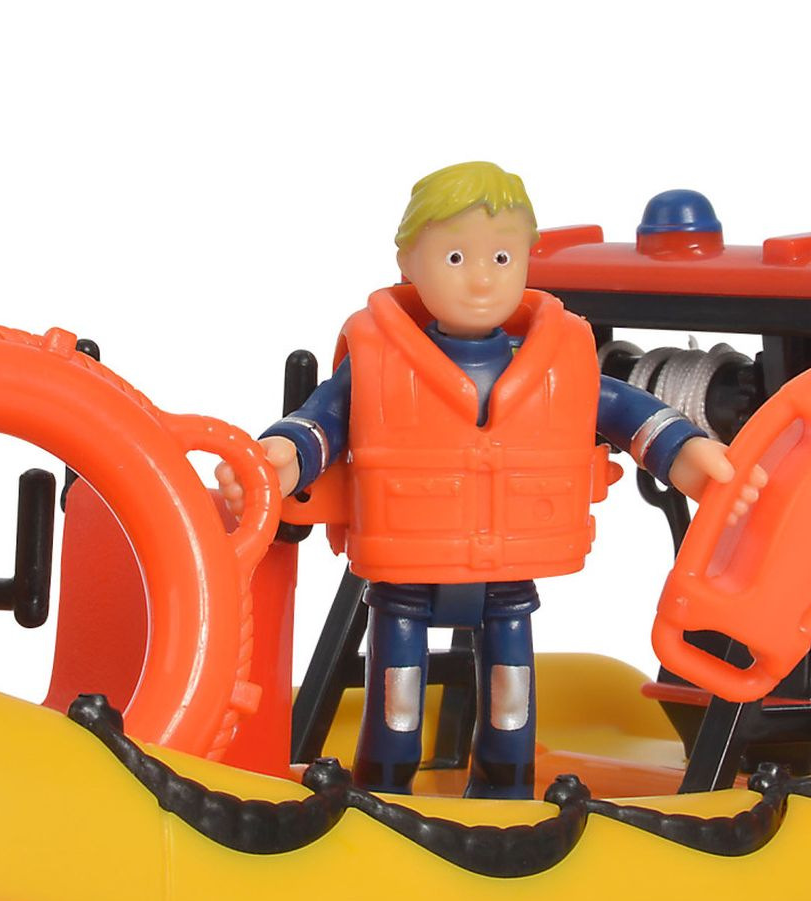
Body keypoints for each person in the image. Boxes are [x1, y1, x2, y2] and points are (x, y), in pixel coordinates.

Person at [218, 161, 761, 799]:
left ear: (527, 260)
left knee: (511, 703)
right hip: (407, 568)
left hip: (507, 569)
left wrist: (685, 453)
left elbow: (619, 407)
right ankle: (383, 790)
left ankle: (504, 794)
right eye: (455, 257)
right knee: (396, 707)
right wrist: (282, 457)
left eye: (502, 258)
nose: (481, 278)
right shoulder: (378, 357)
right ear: (408, 262)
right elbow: (324, 421)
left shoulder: (557, 358)